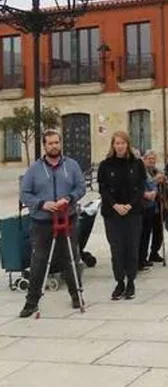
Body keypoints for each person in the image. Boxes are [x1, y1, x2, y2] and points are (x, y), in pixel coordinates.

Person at [18, 130, 86, 318]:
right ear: (44, 145)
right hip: (42, 221)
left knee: (71, 257)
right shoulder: (34, 169)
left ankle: (76, 296)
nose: (54, 146)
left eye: (56, 142)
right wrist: (42, 204)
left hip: (67, 217)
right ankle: (31, 302)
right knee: (39, 260)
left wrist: (69, 198)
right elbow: (25, 193)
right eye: (50, 143)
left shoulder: (71, 165)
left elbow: (81, 187)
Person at [98, 131, 147, 301]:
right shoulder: (105, 165)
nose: (120, 146)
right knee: (117, 249)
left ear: (128, 144)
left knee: (132, 247)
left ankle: (131, 281)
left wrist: (130, 205)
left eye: (123, 143)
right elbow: (103, 189)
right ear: (113, 145)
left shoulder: (137, 164)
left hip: (133, 211)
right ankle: (119, 281)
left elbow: (141, 187)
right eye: (117, 143)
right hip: (112, 213)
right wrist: (115, 205)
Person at [139, 151, 162, 270]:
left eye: (154, 159)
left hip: (155, 205)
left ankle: (153, 253)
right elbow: (144, 185)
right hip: (145, 205)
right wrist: (155, 181)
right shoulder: (142, 171)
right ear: (144, 159)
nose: (152, 161)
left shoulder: (156, 170)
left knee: (157, 231)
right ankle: (142, 258)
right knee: (144, 233)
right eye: (149, 159)